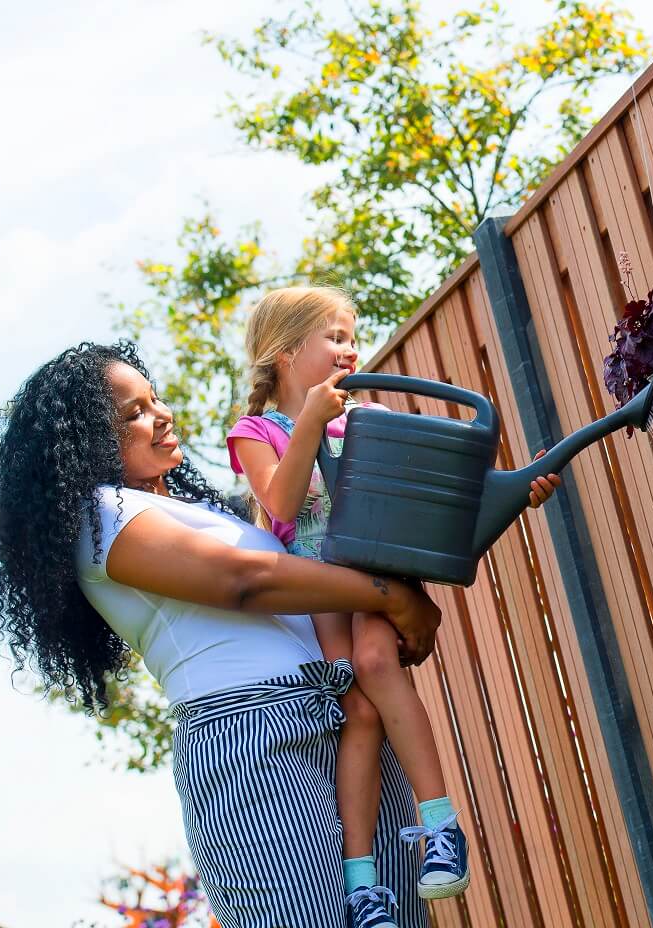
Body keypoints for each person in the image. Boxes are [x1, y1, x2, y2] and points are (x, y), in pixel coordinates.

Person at [0, 341, 445, 927]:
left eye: (156, 400)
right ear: (83, 442)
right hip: (251, 744)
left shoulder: (201, 510)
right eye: (133, 414)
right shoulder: (100, 519)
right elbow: (243, 580)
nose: (162, 415)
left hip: (339, 717)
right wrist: (394, 600)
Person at [226, 286, 558, 922]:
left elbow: (437, 493)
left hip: (375, 568)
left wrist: (520, 488)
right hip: (320, 584)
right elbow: (283, 508)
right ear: (287, 352)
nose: (351, 349)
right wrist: (312, 426)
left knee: (377, 662)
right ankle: (363, 884)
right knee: (357, 709)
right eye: (335, 336)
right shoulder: (256, 433)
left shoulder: (369, 418)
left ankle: (440, 825)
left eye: (353, 336)